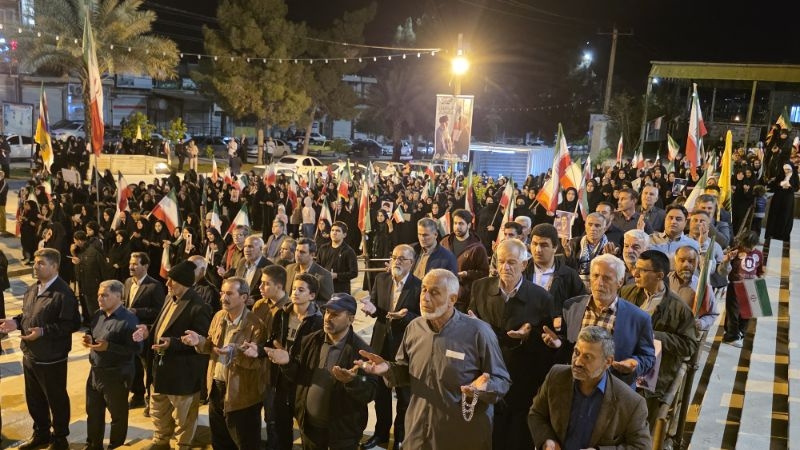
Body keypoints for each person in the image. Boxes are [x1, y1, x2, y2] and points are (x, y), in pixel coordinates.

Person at [358, 269, 511, 450]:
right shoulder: (414, 328)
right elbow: (406, 371)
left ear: (452, 299)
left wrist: (484, 387)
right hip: (419, 433)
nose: (425, 297)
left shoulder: (478, 332)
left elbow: (502, 380)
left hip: (462, 436)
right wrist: (387, 369)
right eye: (424, 289)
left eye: (434, 292)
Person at [469, 239, 556, 450]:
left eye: (511, 262)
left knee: (517, 439)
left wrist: (528, 336)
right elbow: (471, 326)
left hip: (521, 382)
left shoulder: (541, 297)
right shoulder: (480, 288)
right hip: (485, 377)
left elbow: (546, 347)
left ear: (524, 265)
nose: (505, 267)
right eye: (501, 261)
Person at [269, 293, 378, 450]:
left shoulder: (362, 352)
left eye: (335, 314)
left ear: (350, 319)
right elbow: (299, 376)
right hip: (309, 429)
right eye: (327, 312)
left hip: (341, 435)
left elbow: (370, 392)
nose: (327, 318)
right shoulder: (311, 340)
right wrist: (287, 363)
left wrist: (352, 381)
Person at [0, 248, 81, 450]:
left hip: (52, 357)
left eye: (41, 263)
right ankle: (41, 434)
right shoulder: (33, 289)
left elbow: (71, 324)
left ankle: (60, 438)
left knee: (56, 399)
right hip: (30, 354)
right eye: (35, 262)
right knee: (34, 399)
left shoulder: (64, 293)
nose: (35, 267)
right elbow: (27, 315)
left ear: (54, 266)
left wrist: (43, 332)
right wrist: (15, 322)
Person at [527, 326, 652, 450]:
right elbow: (536, 413)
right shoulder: (556, 376)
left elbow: (642, 447)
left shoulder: (632, 403)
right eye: (576, 353)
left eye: (587, 357)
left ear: (608, 362)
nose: (577, 362)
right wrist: (547, 440)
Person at [132, 260, 212, 450]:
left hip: (182, 374)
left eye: (172, 280)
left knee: (184, 416)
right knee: (159, 410)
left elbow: (201, 342)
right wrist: (148, 331)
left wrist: (173, 343)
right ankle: (161, 440)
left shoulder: (199, 307)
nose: (167, 284)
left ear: (184, 282)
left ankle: (182, 445)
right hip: (160, 370)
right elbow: (162, 326)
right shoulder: (170, 299)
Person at [181, 277, 267, 450]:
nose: (223, 298)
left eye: (229, 293)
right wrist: (199, 341)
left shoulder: (256, 325)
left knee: (245, 443)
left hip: (242, 395)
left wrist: (234, 352)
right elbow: (211, 345)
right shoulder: (218, 316)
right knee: (220, 442)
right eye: (222, 293)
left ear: (244, 297)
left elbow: (257, 363)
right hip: (216, 387)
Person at [545, 253, 656, 387]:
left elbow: (648, 357)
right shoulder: (571, 306)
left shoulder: (638, 318)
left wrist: (635, 363)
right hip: (574, 385)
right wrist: (558, 343)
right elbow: (566, 343)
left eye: (606, 278)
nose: (599, 283)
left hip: (613, 389)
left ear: (620, 282)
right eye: (595, 276)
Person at [619, 250, 698, 428]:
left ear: (660, 275)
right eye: (635, 268)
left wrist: (654, 335)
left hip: (652, 377)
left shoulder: (679, 308)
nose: (635, 274)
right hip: (622, 367)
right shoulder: (626, 293)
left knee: (638, 425)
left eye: (642, 270)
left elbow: (689, 345)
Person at [359, 244, 421, 450]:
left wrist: (406, 317)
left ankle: (400, 438)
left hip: (404, 347)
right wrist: (371, 308)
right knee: (381, 394)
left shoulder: (418, 286)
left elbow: (422, 318)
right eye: (394, 257)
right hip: (381, 343)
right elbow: (378, 309)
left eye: (402, 259)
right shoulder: (381, 279)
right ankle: (381, 434)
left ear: (411, 263)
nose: (396, 261)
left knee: (404, 396)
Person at [83, 280, 142, 450]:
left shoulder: (129, 319)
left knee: (118, 415)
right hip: (95, 372)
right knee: (93, 412)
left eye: (104, 295)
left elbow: (136, 349)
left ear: (118, 296)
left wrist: (109, 347)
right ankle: (93, 445)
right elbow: (91, 331)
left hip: (117, 375)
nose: (99, 299)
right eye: (99, 295)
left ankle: (116, 446)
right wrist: (88, 337)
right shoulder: (98, 314)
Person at [123, 252, 166, 414]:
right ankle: (138, 395)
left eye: (135, 264)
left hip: (146, 333)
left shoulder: (155, 286)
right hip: (130, 332)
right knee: (133, 366)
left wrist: (137, 311)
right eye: (130, 263)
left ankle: (150, 399)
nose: (131, 267)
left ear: (145, 266)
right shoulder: (128, 282)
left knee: (148, 367)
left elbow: (159, 311)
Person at [524, 223, 586, 310]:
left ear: (555, 247)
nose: (538, 250)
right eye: (534, 244)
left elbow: (581, 306)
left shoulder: (569, 276)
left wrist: (563, 317)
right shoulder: (521, 272)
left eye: (544, 245)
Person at [439, 209, 489, 311]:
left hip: (463, 299)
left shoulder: (477, 248)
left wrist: (467, 274)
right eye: (455, 223)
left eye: (461, 224)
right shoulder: (445, 242)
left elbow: (484, 273)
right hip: (443, 294)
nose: (457, 227)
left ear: (469, 225)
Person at [722, 231, 765, 347]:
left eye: (751, 246)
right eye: (746, 246)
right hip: (735, 284)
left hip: (751, 285)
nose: (748, 249)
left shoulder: (758, 254)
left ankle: (740, 332)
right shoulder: (736, 251)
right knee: (732, 311)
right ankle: (732, 334)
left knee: (747, 312)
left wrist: (759, 281)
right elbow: (725, 266)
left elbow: (759, 270)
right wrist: (728, 258)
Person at [563, 212, 618, 289]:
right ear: (585, 226)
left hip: (600, 285)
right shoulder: (573, 243)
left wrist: (610, 258)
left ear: (605, 229)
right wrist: (568, 255)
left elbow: (614, 274)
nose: (593, 228)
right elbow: (568, 270)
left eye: (597, 226)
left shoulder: (612, 247)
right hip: (576, 285)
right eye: (590, 225)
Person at [285, 238, 334, 306]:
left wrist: (305, 305)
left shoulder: (324, 275)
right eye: (297, 250)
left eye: (302, 252)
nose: (297, 254)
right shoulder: (289, 268)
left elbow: (327, 302)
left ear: (312, 255)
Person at [316, 221, 359, 294]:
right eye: (332, 230)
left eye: (338, 231)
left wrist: (336, 275)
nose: (334, 233)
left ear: (344, 235)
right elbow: (318, 266)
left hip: (341, 290)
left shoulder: (349, 251)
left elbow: (354, 273)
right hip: (324, 288)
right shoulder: (323, 248)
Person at [764, 162, 799, 241]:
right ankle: (771, 233)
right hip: (778, 197)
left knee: (785, 215)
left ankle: (781, 234)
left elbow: (796, 188)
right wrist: (779, 184)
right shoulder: (780, 175)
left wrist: (790, 186)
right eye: (785, 169)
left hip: (788, 198)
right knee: (775, 214)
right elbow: (774, 185)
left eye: (788, 169)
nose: (786, 171)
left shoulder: (794, 176)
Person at [233, 236, 271, 302]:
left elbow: (270, 292)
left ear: (261, 249)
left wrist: (254, 300)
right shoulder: (242, 262)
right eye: (245, 246)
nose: (246, 249)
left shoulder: (268, 266)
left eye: (250, 247)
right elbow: (236, 282)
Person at [0, 170, 9, 236]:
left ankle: (3, 229)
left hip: (1, 201)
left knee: (2, 215)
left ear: (2, 175)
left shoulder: (4, 183)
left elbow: (1, 192)